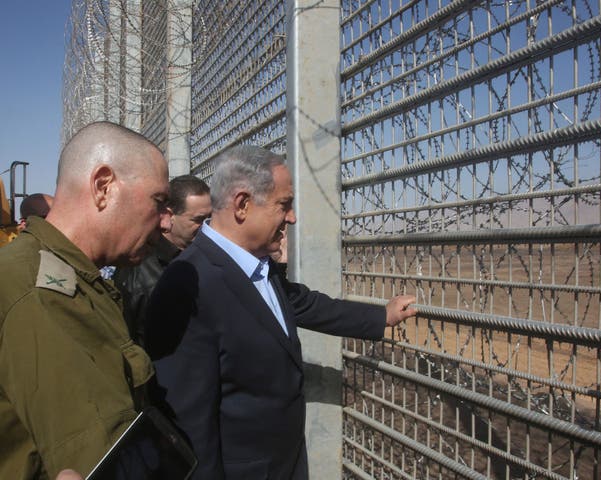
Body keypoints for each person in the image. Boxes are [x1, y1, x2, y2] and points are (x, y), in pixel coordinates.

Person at [145, 145, 417, 480]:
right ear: (242, 205)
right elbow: (188, 426)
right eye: (284, 205)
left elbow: (307, 304)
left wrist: (381, 316)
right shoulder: (188, 285)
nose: (292, 217)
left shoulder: (256, 266)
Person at [0, 121, 171, 479]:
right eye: (159, 201)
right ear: (104, 186)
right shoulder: (45, 293)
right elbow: (101, 461)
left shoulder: (73, 277)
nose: (165, 223)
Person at [113, 174, 212, 345]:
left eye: (209, 218)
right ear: (169, 215)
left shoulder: (208, 259)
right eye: (198, 220)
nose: (206, 226)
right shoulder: (137, 271)